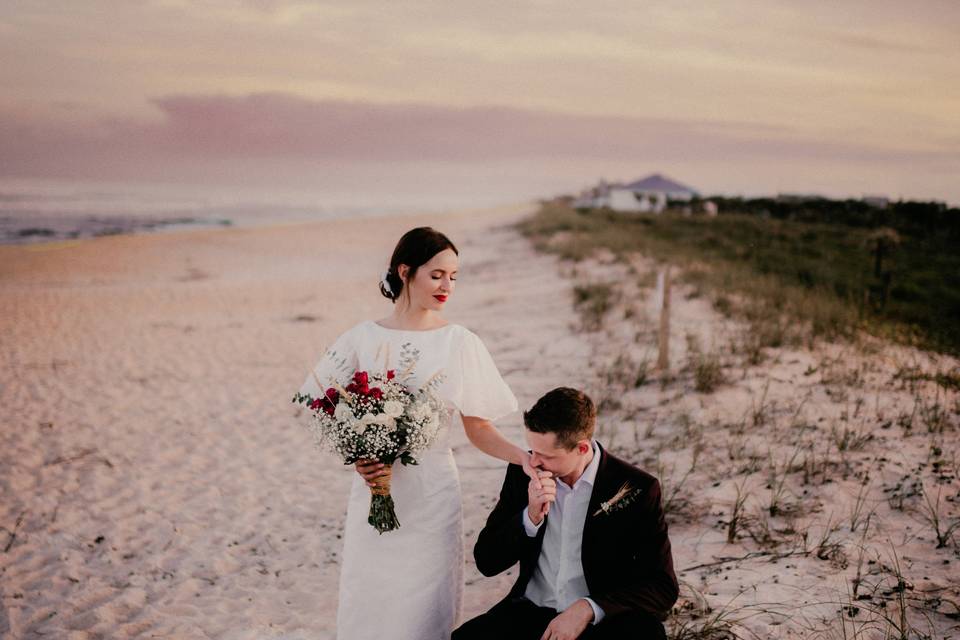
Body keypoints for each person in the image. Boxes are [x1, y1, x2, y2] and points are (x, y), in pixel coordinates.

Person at [297, 227, 537, 640]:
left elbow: (478, 428)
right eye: (437, 274)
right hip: (375, 491)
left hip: (432, 496)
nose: (448, 286)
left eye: (454, 277)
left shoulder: (458, 342)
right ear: (405, 271)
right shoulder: (363, 337)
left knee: (425, 606)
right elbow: (322, 403)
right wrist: (359, 454)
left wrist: (525, 458)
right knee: (369, 598)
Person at [453, 387, 679, 640]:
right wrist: (530, 518)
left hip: (601, 621)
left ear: (582, 449)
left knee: (646, 635)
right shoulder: (522, 472)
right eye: (532, 450)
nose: (534, 461)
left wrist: (587, 609)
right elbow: (486, 561)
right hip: (530, 613)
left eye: (546, 455)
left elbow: (663, 587)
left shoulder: (635, 487)